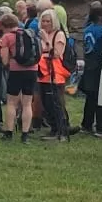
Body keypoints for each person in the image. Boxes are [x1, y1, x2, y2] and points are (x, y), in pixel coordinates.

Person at [0, 13, 37, 142]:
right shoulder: (29, 34)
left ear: (4, 26)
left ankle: (8, 132)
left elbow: (4, 60)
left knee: (11, 102)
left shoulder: (7, 37)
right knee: (27, 103)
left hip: (16, 71)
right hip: (32, 70)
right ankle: (25, 134)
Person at [36, 9, 73, 142]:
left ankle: (61, 130)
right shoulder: (42, 34)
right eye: (44, 21)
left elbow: (56, 53)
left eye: (48, 21)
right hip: (42, 73)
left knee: (56, 103)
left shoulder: (59, 34)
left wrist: (46, 41)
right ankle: (53, 128)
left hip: (55, 74)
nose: (45, 24)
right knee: (46, 103)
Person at [79, 6, 102, 136]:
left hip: (89, 64)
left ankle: (86, 124)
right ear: (100, 16)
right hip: (97, 65)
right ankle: (100, 126)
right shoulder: (100, 30)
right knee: (100, 98)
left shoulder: (88, 29)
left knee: (90, 98)